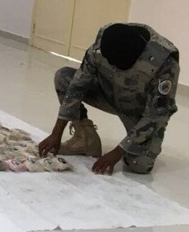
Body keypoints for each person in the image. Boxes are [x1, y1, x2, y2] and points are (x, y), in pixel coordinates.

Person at [39, 23, 179, 175]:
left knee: (139, 165)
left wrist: (118, 152)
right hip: (108, 93)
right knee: (63, 77)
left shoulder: (163, 61)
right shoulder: (104, 42)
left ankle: (133, 148)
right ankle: (85, 138)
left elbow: (156, 115)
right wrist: (56, 133)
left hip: (138, 110)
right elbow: (77, 87)